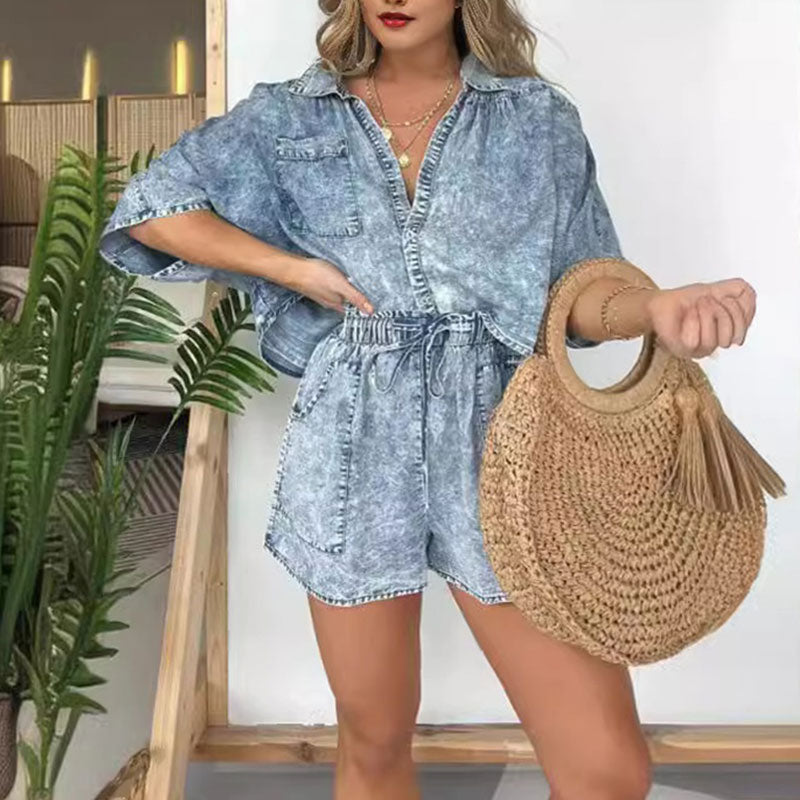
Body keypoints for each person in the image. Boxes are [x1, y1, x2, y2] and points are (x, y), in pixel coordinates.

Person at [98, 1, 757, 798]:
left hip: (503, 443)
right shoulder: (289, 115)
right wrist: (291, 269)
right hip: (352, 442)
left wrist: (654, 309)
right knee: (373, 740)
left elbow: (576, 291)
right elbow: (153, 209)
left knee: (606, 768)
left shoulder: (534, 120)